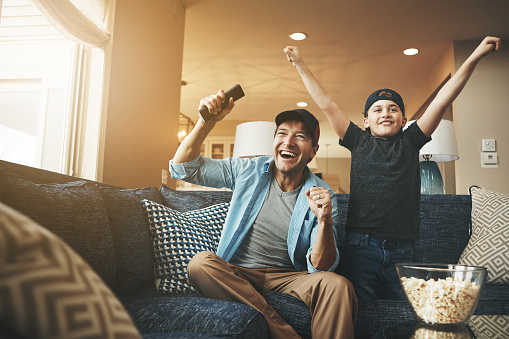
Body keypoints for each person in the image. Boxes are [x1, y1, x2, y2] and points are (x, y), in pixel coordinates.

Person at [284, 36, 501, 301]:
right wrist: (300, 64)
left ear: (404, 120)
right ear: (366, 120)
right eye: (377, 110)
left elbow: (445, 97)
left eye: (393, 109)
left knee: (401, 316)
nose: (385, 113)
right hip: (361, 246)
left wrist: (475, 55)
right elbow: (327, 103)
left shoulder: (412, 140)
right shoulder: (358, 140)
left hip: (403, 251)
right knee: (362, 312)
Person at [169, 91, 357, 339]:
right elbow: (184, 168)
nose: (288, 142)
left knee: (339, 285)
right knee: (200, 264)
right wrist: (207, 122)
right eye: (282, 133)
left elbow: (322, 267)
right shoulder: (248, 170)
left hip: (289, 277)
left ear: (312, 151)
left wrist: (324, 220)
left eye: (299, 136)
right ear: (274, 141)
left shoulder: (321, 193)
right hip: (237, 272)